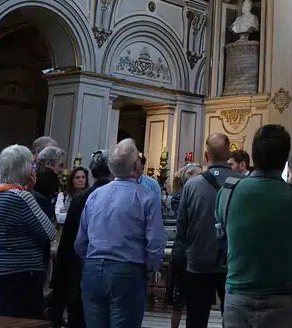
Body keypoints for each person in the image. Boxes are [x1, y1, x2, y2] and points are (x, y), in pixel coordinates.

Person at [217, 124, 292, 328]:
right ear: (285, 159)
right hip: (282, 298)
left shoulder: (228, 191)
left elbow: (221, 235)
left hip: (238, 296)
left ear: (254, 155)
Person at [76, 138, 166, 328]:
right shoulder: (146, 197)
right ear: (136, 166)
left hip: (93, 269)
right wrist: (149, 269)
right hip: (127, 270)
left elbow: (81, 241)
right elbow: (155, 242)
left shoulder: (95, 195)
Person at [0, 144, 57, 318]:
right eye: (31, 164)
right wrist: (30, 192)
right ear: (24, 169)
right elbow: (49, 232)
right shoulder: (21, 197)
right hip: (19, 273)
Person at [176, 134, 244, 328]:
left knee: (196, 320)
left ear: (206, 156)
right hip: (234, 263)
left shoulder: (192, 185)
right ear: (229, 153)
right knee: (234, 321)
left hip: (198, 261)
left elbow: (182, 226)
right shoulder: (243, 183)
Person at [52, 151, 112, 328]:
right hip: (110, 266)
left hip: (78, 265)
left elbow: (69, 238)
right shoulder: (118, 197)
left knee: (78, 316)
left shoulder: (81, 197)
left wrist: (61, 273)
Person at [165, 163, 202, 328]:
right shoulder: (179, 197)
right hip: (182, 251)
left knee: (194, 302)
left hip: (194, 250)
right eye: (198, 175)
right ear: (188, 176)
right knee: (178, 300)